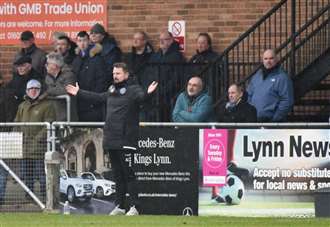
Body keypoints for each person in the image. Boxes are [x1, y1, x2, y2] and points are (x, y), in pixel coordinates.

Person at [66, 62, 158, 215]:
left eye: (118, 73)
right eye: (114, 73)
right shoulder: (111, 89)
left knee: (129, 174)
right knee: (118, 174)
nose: (115, 76)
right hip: (111, 139)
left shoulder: (134, 90)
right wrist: (79, 92)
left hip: (126, 139)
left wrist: (149, 93)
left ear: (126, 75)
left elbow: (143, 99)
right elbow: (98, 97)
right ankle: (120, 206)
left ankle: (135, 207)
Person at [14, 79, 56, 200]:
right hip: (24, 148)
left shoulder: (48, 105)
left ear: (40, 90)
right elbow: (17, 123)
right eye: (30, 89)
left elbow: (49, 124)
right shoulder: (22, 106)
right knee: (27, 176)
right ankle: (29, 198)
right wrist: (17, 138)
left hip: (40, 149)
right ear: (26, 91)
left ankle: (45, 199)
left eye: (36, 89)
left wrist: (37, 139)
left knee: (42, 176)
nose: (33, 91)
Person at [247, 49, 294, 122]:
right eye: (265, 59)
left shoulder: (282, 77)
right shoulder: (257, 76)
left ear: (276, 59)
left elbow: (287, 101)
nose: (268, 61)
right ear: (263, 60)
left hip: (271, 122)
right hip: (254, 121)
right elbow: (248, 95)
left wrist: (275, 119)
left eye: (271, 58)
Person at [149, 30, 185, 121]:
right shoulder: (156, 56)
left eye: (165, 39)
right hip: (155, 92)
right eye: (160, 39)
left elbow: (177, 76)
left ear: (171, 40)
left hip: (169, 93)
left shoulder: (177, 56)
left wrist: (165, 89)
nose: (161, 41)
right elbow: (150, 73)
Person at [72, 31, 107, 121]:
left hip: (93, 102)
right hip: (80, 100)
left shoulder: (96, 58)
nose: (82, 43)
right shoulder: (76, 59)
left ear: (89, 41)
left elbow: (101, 80)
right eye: (79, 41)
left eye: (84, 40)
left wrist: (95, 98)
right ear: (77, 42)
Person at [45, 52, 77, 121]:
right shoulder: (47, 77)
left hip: (66, 116)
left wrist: (48, 91)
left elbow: (68, 90)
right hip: (51, 115)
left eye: (47, 64)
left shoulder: (69, 75)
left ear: (54, 65)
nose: (45, 66)